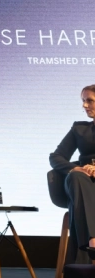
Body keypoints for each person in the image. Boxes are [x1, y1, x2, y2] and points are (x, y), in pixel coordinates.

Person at [50, 84, 95, 263]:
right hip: (81, 183)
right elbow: (56, 157)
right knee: (76, 177)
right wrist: (75, 168)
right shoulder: (79, 129)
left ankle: (83, 261)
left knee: (80, 202)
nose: (84, 106)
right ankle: (93, 241)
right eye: (83, 101)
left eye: (89, 101)